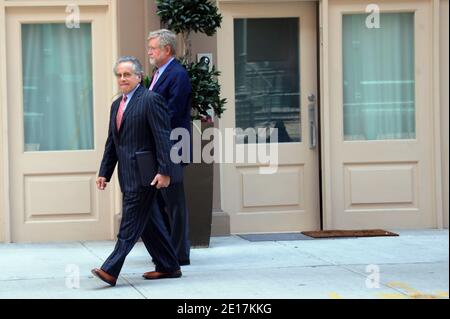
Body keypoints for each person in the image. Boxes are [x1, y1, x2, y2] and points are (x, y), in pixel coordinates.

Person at [91, 56, 181, 287]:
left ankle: (110, 270)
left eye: (127, 74)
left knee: (129, 224)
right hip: (127, 175)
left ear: (139, 77)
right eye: (119, 75)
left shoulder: (151, 100)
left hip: (146, 174)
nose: (122, 79)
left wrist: (165, 171)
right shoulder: (116, 105)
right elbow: (113, 142)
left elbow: (163, 138)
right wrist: (104, 172)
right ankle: (169, 265)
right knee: (149, 222)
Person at [146, 29, 192, 265]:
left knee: (174, 203)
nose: (149, 52)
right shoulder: (159, 73)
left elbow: (172, 113)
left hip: (173, 144)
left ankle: (179, 254)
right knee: (162, 202)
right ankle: (167, 251)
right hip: (161, 145)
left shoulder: (177, 74)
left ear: (167, 49)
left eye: (153, 48)